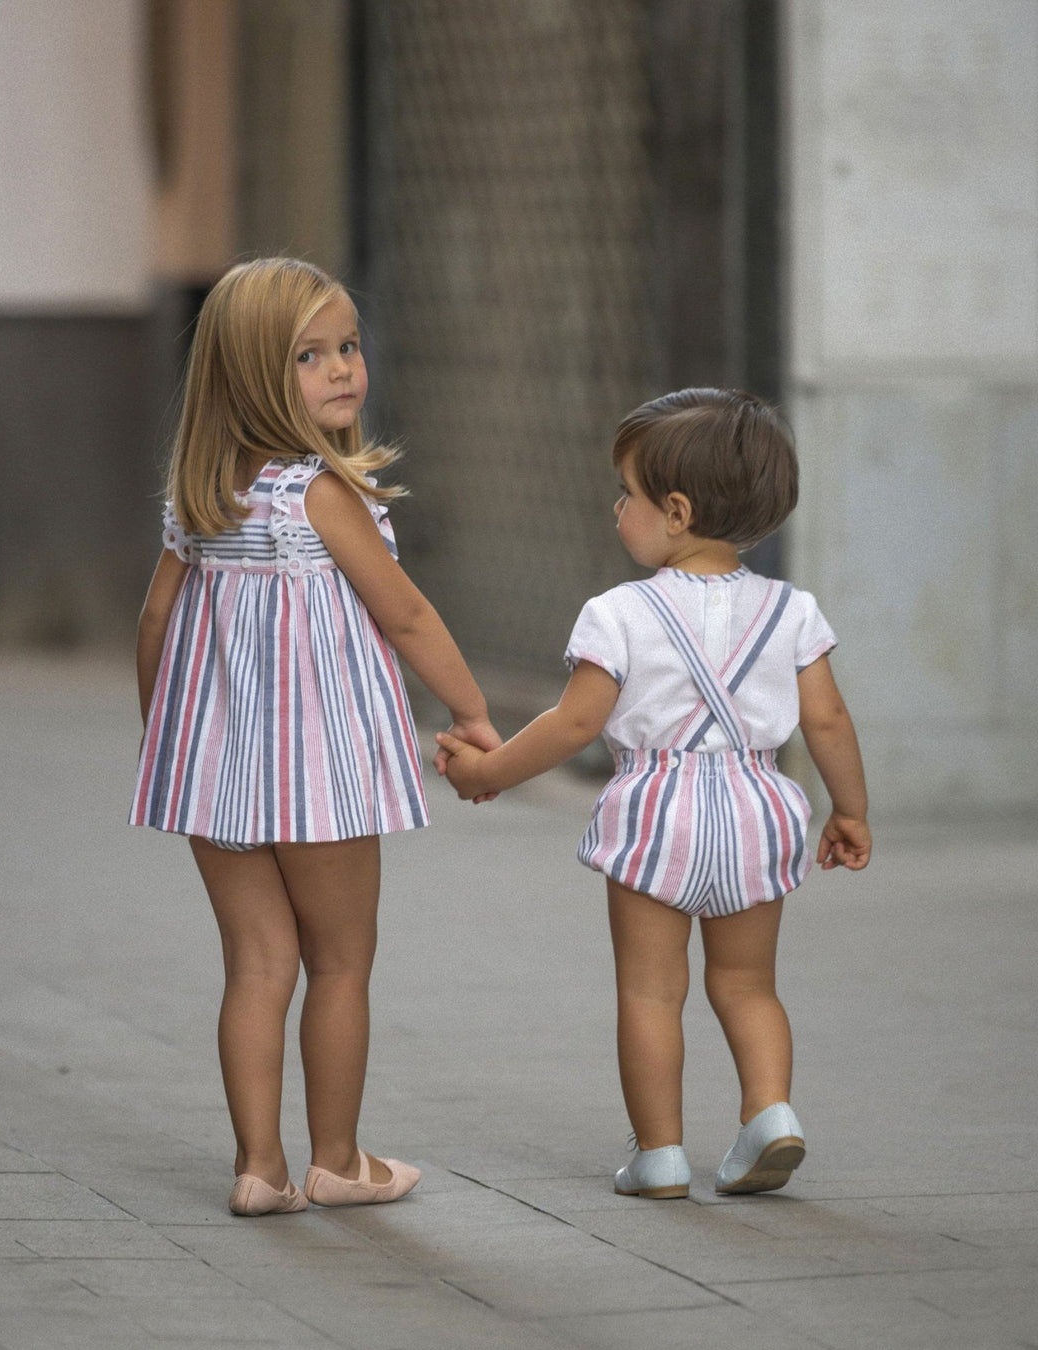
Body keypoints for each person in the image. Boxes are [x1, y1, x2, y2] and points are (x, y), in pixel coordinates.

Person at [130, 257, 500, 1216]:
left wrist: (168, 738)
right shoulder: (319, 494)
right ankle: (336, 1159)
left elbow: (157, 623)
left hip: (215, 772)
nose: (342, 368)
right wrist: (471, 715)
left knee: (256, 964)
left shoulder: (199, 498)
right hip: (319, 775)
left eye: (348, 346)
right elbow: (406, 614)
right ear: (251, 374)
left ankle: (258, 1167)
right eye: (309, 355)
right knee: (339, 961)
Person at [437, 388, 871, 1199]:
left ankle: (660, 1154)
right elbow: (828, 720)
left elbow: (574, 724)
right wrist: (849, 810)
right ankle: (770, 1112)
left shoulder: (619, 614)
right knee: (747, 984)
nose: (617, 508)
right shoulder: (793, 610)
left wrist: (486, 774)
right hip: (756, 805)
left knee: (649, 990)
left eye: (626, 494)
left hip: (659, 813)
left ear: (675, 512)